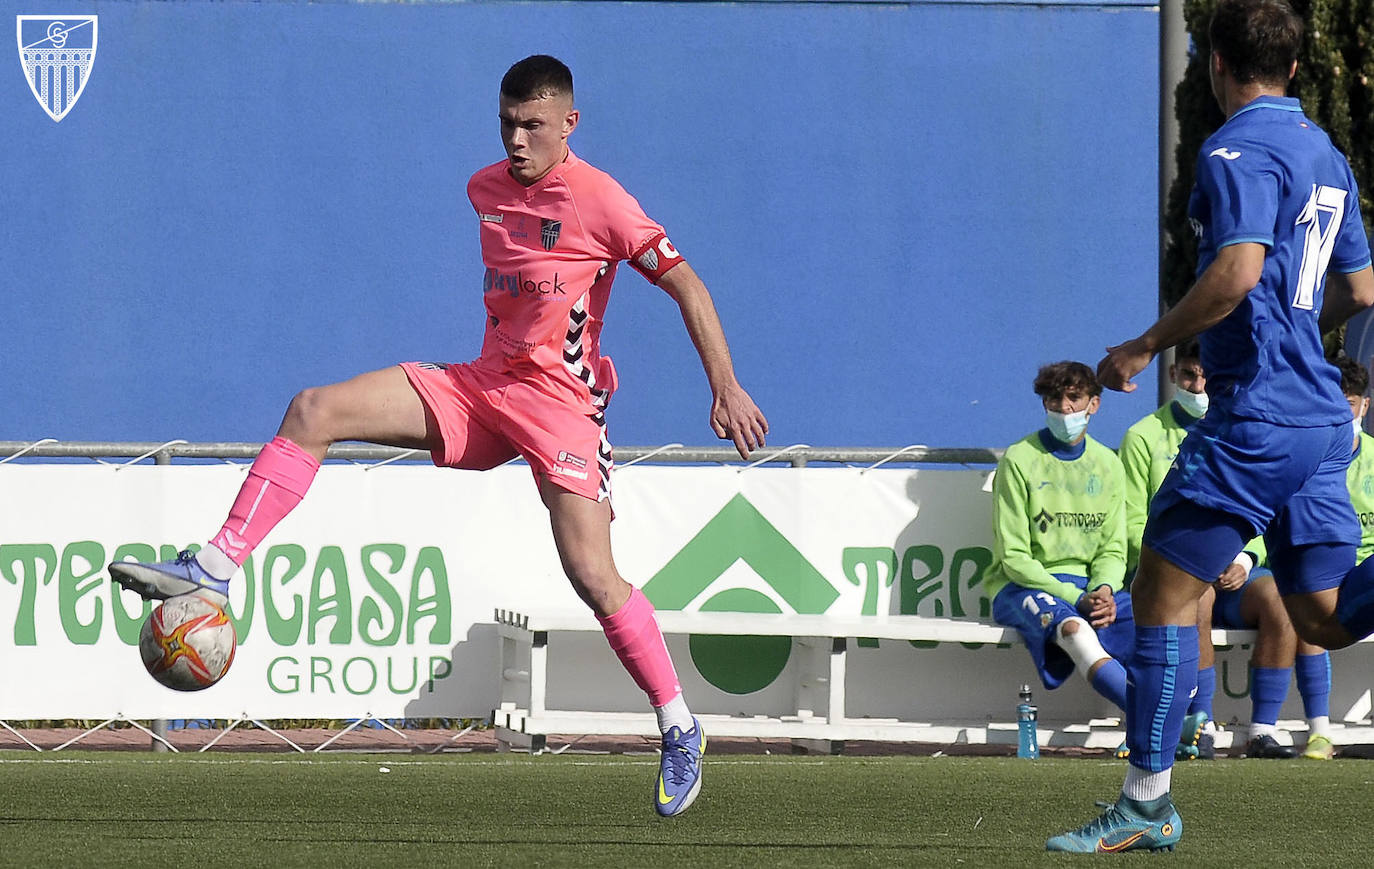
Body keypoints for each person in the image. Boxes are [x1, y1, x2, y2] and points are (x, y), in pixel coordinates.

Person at [107, 55, 768, 819]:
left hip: (560, 409)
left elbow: (686, 281)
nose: (517, 140)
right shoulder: (483, 189)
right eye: (506, 123)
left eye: (533, 125)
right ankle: (215, 566)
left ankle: (680, 726)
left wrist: (724, 384)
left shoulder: (601, 199)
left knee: (593, 575)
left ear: (569, 124)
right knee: (313, 409)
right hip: (482, 389)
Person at [1049, 0, 1374, 852]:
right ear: (1296, 68)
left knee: (1161, 596)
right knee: (1325, 617)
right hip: (1318, 420)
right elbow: (1363, 289)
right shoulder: (1327, 154)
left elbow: (1235, 272)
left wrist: (1143, 346)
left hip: (1259, 414)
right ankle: (1148, 799)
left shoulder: (1234, 147)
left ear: (1218, 67)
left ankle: (1148, 801)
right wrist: (1307, 334)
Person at [1118, 343, 1315, 761]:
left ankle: (1262, 729)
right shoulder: (1142, 437)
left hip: (1238, 570)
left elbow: (1266, 508)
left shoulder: (1245, 430)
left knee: (1281, 603)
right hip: (1180, 566)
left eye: (1206, 375)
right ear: (1173, 377)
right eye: (1190, 375)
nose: (1199, 385)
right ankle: (1202, 722)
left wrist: (1246, 558)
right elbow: (1134, 521)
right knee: (1196, 595)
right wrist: (1195, 562)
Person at [984, 362, 1134, 743]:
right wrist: (1076, 598)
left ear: (1094, 404)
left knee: (1160, 624)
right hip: (1019, 586)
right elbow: (1014, 557)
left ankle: (1196, 722)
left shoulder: (1108, 464)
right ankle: (1154, 722)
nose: (1064, 408)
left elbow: (1113, 547)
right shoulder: (1020, 459)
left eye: (1074, 397)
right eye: (1054, 398)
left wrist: (1104, 588)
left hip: (1090, 589)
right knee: (1074, 630)